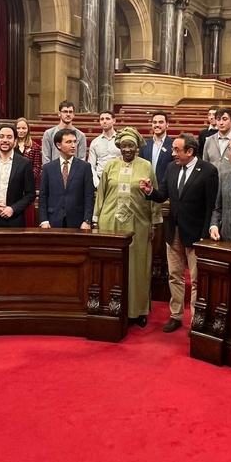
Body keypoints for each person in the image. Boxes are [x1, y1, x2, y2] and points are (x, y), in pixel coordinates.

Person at [140, 133, 219, 333]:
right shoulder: (171, 168)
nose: (173, 153)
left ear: (190, 151)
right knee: (174, 276)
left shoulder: (208, 171)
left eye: (177, 150)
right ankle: (175, 316)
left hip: (196, 234)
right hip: (173, 231)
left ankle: (196, 321)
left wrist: (204, 236)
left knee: (196, 279)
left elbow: (212, 207)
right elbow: (162, 195)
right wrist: (149, 191)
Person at [94, 127, 162, 327]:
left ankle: (137, 310)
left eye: (131, 145)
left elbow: (154, 196)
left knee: (138, 267)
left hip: (138, 224)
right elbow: (102, 194)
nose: (127, 149)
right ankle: (112, 307)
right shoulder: (110, 166)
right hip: (110, 222)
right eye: (123, 145)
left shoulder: (146, 166)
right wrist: (96, 219)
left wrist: (155, 222)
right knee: (112, 266)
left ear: (137, 147)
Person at [0, 124, 36, 228]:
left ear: (15, 141)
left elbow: (30, 194)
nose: (5, 140)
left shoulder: (25, 163)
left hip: (14, 220)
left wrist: (13, 209)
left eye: (9, 137)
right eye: (1, 136)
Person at [38, 128, 94, 229]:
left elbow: (89, 196)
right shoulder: (48, 168)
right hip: (53, 219)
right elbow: (43, 196)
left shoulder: (85, 167)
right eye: (68, 142)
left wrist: (87, 220)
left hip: (78, 220)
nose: (73, 145)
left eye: (74, 142)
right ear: (59, 145)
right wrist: (44, 220)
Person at [41, 100, 86, 165]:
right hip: (54, 172)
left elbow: (81, 159)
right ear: (59, 113)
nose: (68, 114)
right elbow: (46, 159)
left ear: (74, 114)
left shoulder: (81, 135)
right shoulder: (48, 134)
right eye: (65, 112)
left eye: (70, 112)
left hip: (74, 173)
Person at [139, 111, 174, 185]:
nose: (157, 125)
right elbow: (140, 167)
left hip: (165, 187)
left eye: (160, 122)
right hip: (146, 187)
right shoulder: (144, 145)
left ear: (167, 124)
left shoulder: (172, 145)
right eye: (154, 122)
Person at [88, 110, 120, 188]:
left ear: (114, 121)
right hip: (100, 178)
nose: (104, 121)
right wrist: (97, 183)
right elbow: (91, 166)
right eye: (102, 119)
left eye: (107, 119)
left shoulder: (121, 140)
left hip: (118, 178)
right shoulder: (95, 142)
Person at [202, 106, 231, 173]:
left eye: (225, 119)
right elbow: (205, 164)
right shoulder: (209, 140)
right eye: (218, 119)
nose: (221, 123)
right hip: (213, 180)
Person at [14, 117, 42, 188]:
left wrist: (27, 178)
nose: (21, 131)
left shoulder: (35, 146)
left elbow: (37, 167)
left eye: (24, 128)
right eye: (18, 128)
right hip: (12, 181)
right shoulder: (11, 146)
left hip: (29, 183)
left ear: (28, 130)